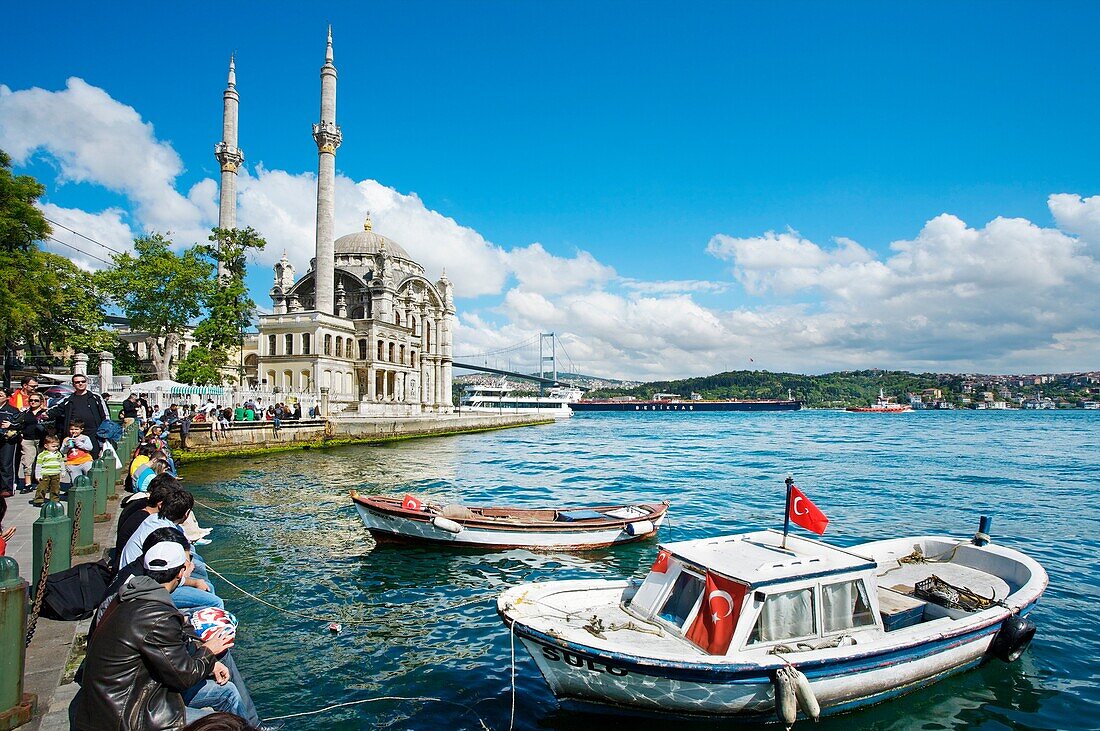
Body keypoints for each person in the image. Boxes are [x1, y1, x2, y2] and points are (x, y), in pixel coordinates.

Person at [73, 541, 233, 730]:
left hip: (108, 702)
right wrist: (208, 651)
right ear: (181, 572)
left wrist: (205, 656)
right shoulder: (157, 615)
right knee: (224, 707)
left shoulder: (131, 594)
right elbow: (184, 676)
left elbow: (171, 645)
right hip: (128, 716)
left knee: (228, 691)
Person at [46, 374, 109, 458]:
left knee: (94, 457)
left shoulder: (96, 397)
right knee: (75, 458)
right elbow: (56, 409)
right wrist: (44, 414)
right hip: (74, 433)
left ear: (86, 383)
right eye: (77, 382)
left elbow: (105, 415)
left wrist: (106, 432)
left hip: (93, 433)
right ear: (73, 384)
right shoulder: (68, 399)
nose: (80, 383)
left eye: (83, 381)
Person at [18, 389, 49, 494]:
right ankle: (28, 484)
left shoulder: (45, 413)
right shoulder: (25, 412)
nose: (33, 402)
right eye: (31, 400)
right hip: (28, 439)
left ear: (41, 402)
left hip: (42, 440)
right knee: (28, 461)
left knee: (43, 462)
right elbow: (19, 423)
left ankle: (42, 482)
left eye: (36, 400)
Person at [0, 387, 24, 497]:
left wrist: (11, 426)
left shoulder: (13, 410)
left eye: (0, 396)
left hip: (8, 441)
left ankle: (7, 488)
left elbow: (20, 425)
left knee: (6, 464)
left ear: (7, 398)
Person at [30, 435, 63, 506]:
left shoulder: (58, 454)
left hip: (56, 473)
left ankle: (55, 500)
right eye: (53, 446)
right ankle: (38, 500)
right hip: (45, 474)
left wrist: (63, 471)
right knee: (42, 488)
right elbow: (38, 465)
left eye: (57, 446)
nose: (56, 448)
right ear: (46, 446)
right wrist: (38, 475)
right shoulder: (42, 455)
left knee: (55, 488)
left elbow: (61, 463)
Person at [61, 420, 95, 488]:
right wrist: (66, 445)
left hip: (85, 460)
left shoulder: (85, 438)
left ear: (81, 430)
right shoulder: (67, 439)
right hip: (72, 463)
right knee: (76, 482)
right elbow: (62, 451)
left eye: (76, 429)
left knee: (90, 477)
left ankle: (91, 491)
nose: (73, 431)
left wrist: (79, 443)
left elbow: (90, 447)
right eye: (71, 429)